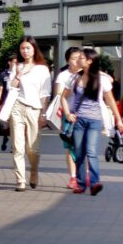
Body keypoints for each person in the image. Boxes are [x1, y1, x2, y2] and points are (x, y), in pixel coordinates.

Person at [60, 48, 123, 196]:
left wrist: (118, 119)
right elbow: (63, 97)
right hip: (79, 120)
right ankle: (81, 184)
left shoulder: (102, 80)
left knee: (91, 151)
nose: (78, 60)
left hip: (95, 121)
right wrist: (68, 113)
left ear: (90, 61)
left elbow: (110, 101)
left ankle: (94, 183)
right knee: (79, 152)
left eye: (81, 58)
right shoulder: (74, 78)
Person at [5, 36, 51, 191]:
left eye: (28, 48)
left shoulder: (42, 68)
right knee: (18, 147)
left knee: (33, 149)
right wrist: (19, 74)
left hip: (35, 109)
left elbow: (45, 93)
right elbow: (11, 87)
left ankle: (34, 171)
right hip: (17, 107)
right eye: (22, 48)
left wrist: (44, 113)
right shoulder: (17, 66)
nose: (25, 51)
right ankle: (20, 181)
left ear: (34, 49)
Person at [48, 47, 84, 190]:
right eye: (74, 58)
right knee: (70, 147)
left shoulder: (88, 74)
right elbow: (58, 96)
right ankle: (73, 177)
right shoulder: (63, 76)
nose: (77, 61)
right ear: (68, 60)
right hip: (68, 114)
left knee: (84, 146)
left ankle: (85, 173)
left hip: (84, 115)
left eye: (79, 58)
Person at [0, 56, 18, 151]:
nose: (16, 64)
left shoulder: (21, 74)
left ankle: (13, 145)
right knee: (5, 125)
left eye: (17, 62)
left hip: (16, 103)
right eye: (14, 62)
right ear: (9, 62)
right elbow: (0, 89)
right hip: (5, 103)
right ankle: (5, 137)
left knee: (15, 124)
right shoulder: (4, 74)